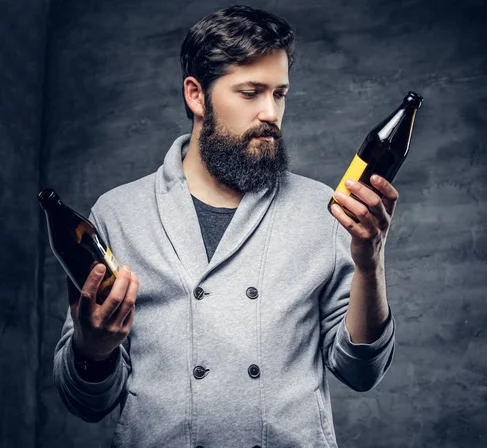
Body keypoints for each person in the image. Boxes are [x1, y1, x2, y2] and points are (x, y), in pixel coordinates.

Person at [54, 5, 397, 447]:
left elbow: (361, 372)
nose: (271, 112)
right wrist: (94, 348)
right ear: (196, 95)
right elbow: (84, 402)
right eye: (251, 92)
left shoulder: (324, 211)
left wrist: (371, 267)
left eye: (280, 94)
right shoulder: (118, 214)